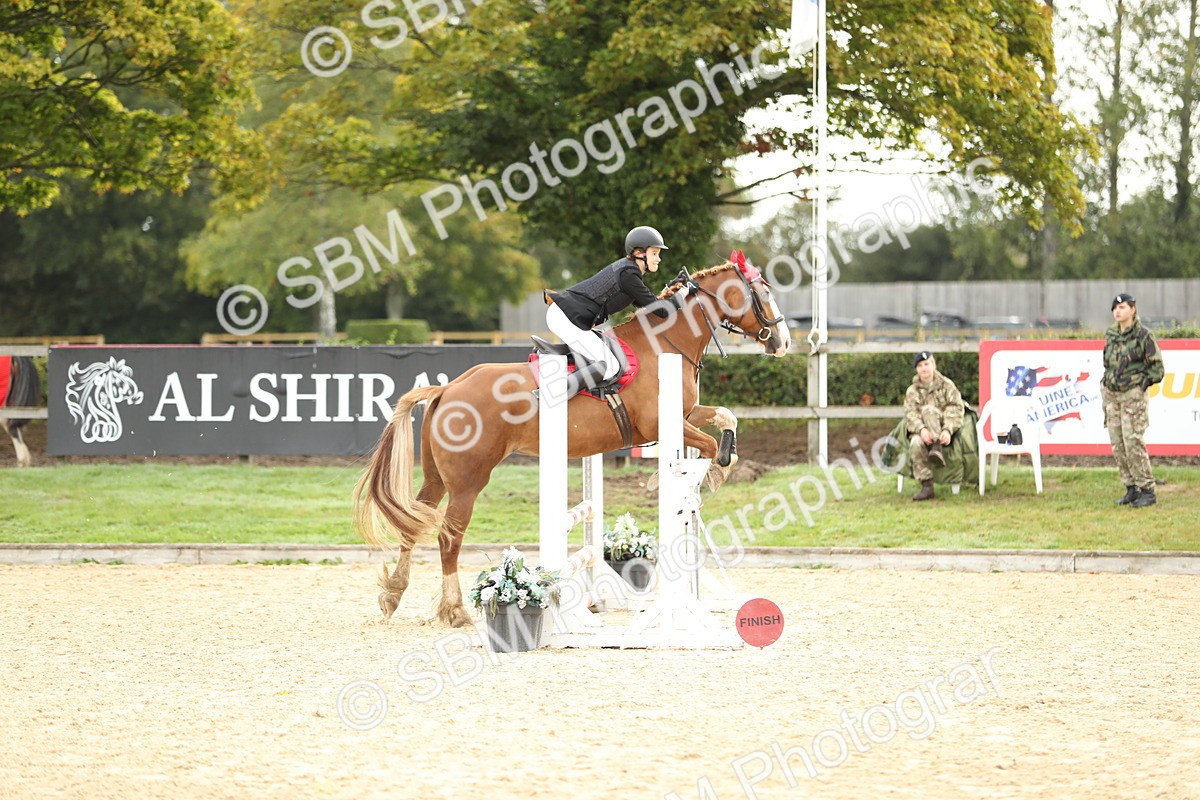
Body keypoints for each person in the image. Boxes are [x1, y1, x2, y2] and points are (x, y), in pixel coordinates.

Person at [543, 226, 674, 399]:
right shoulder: (629, 275)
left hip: (566, 316)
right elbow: (662, 311)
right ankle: (550, 394)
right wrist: (683, 295)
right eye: (654, 253)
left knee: (609, 361)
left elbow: (649, 305)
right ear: (639, 252)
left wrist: (675, 291)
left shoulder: (629, 272)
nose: (658, 259)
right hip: (565, 317)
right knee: (610, 366)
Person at [1102, 292, 1164, 508]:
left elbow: (1157, 369)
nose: (1117, 311)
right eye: (1115, 308)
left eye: (1122, 307)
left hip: (1132, 397)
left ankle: (1147, 489)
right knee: (1118, 443)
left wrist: (1140, 386)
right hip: (1112, 396)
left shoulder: (1143, 335)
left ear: (1133, 310)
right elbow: (1107, 363)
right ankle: (1131, 487)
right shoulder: (1112, 335)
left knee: (1133, 442)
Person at [904, 351, 965, 501]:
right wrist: (922, 430)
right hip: (923, 431)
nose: (924, 368)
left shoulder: (947, 385)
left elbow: (956, 408)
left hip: (945, 429)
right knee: (915, 443)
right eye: (920, 366)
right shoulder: (912, 391)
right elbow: (911, 414)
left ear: (933, 365)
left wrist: (947, 429)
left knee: (929, 410)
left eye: (927, 364)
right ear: (916, 369)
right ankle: (927, 486)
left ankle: (937, 447)